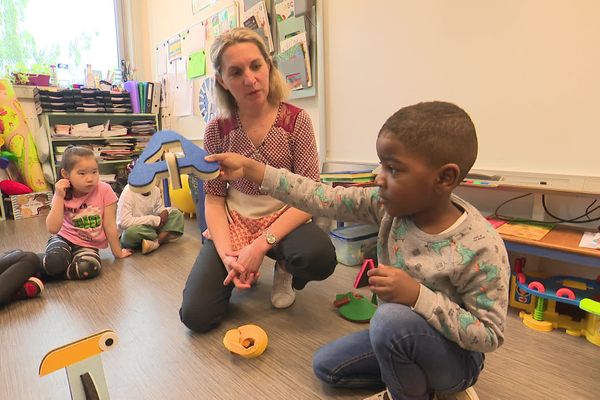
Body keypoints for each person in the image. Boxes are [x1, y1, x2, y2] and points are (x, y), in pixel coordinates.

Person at [206, 101, 511, 400]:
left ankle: (413, 392)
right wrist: (251, 169)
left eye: (393, 169)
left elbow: (489, 335)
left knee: (389, 320)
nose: (378, 177)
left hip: (455, 359)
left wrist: (417, 296)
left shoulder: (480, 247)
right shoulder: (386, 207)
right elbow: (319, 195)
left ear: (444, 178)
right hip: (397, 332)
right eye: (381, 164)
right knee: (327, 367)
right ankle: (417, 380)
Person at [179, 27, 337, 333]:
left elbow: (309, 196)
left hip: (286, 215)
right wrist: (229, 258)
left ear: (269, 66)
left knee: (317, 257)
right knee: (196, 317)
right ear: (222, 81)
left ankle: (285, 267)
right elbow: (213, 198)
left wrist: (259, 247)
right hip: (235, 219)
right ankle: (237, 263)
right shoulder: (216, 130)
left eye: (256, 66)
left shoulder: (295, 121)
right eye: (236, 72)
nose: (250, 79)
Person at [43, 146, 132, 280]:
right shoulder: (62, 192)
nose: (90, 178)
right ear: (66, 174)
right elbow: (53, 228)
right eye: (82, 173)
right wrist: (59, 196)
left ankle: (52, 272)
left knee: (89, 268)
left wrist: (117, 252)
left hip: (88, 245)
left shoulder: (105, 190)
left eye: (94, 172)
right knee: (55, 261)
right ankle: (54, 266)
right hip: (63, 238)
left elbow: (110, 225)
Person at [116, 180, 185, 255]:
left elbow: (157, 208)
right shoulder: (128, 192)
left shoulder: (155, 190)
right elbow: (124, 222)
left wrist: (163, 211)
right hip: (136, 229)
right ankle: (160, 237)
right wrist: (152, 220)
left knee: (177, 214)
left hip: (152, 227)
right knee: (129, 234)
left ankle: (155, 243)